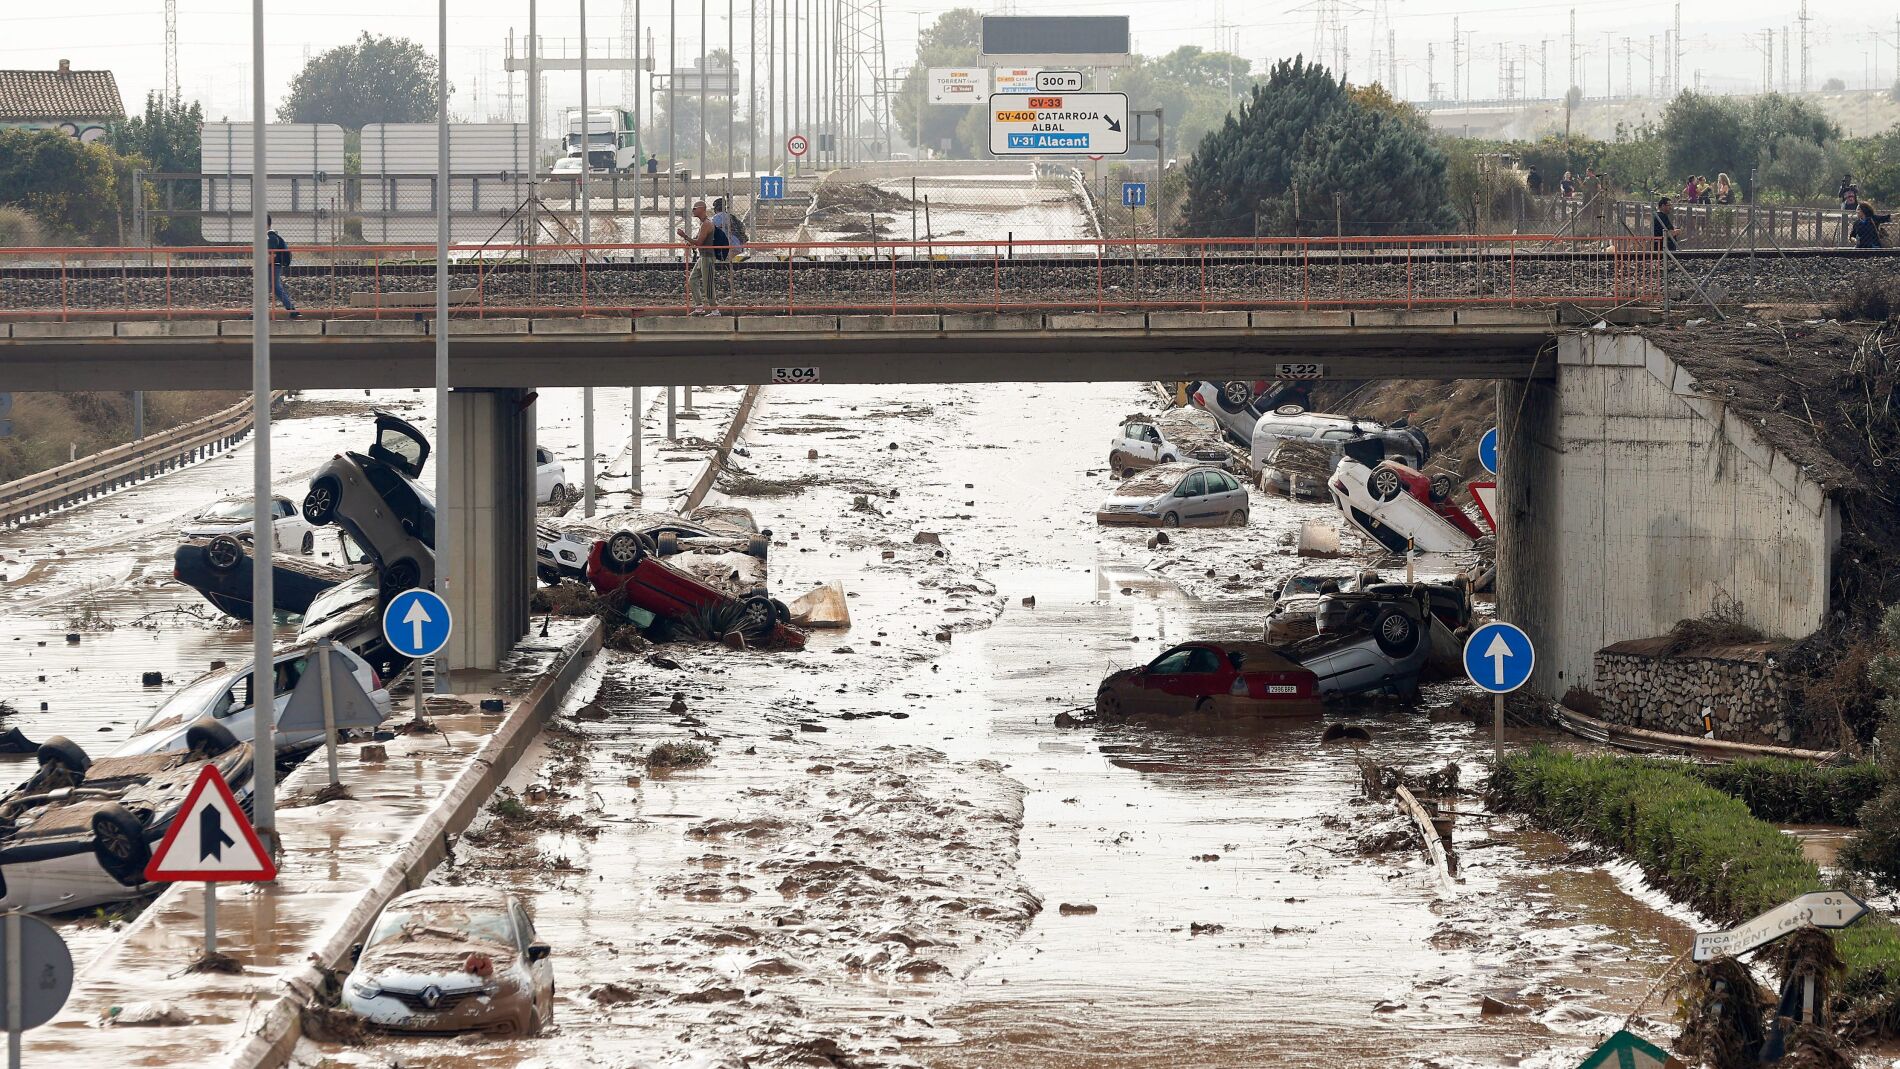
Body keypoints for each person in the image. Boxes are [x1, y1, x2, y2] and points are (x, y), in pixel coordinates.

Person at [677, 200, 719, 314]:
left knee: (708, 284)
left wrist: (684, 236)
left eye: (695, 208)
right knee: (692, 280)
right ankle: (699, 306)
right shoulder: (703, 224)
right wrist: (690, 242)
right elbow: (697, 240)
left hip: (708, 258)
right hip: (703, 257)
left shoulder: (706, 224)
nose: (693, 210)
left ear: (702, 209)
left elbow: (699, 242)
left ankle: (715, 310)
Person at [266, 216, 302, 319]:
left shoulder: (270, 237)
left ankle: (255, 314)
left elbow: (272, 256)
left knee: (267, 288)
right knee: (275, 288)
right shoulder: (273, 237)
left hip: (273, 266)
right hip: (274, 266)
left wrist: (259, 266)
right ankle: (292, 310)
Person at [710, 196, 748, 262]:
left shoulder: (717, 217)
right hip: (738, 245)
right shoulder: (731, 216)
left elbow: (710, 230)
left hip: (728, 246)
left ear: (715, 208)